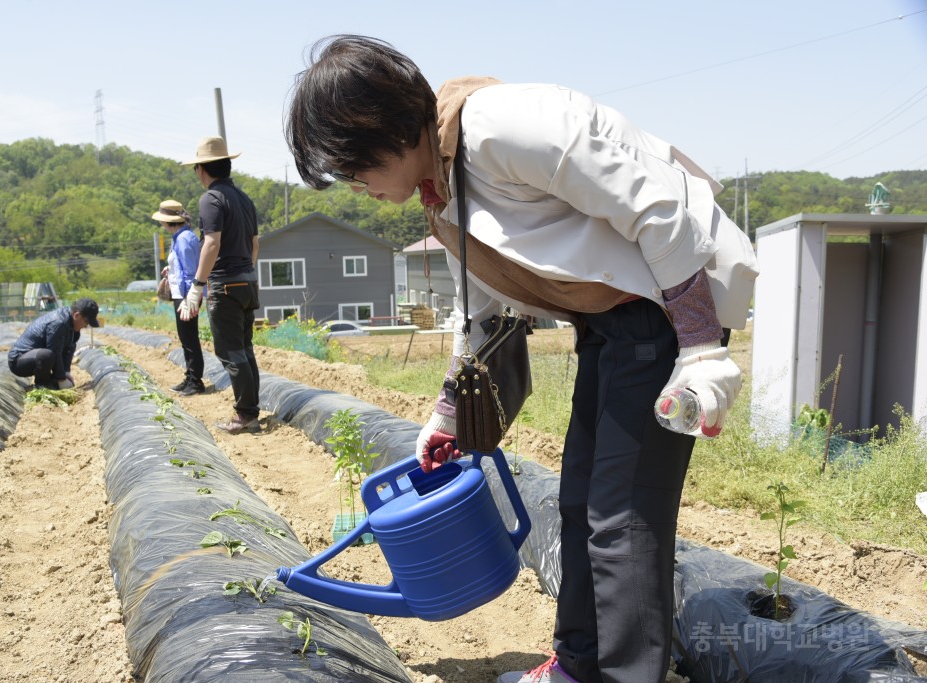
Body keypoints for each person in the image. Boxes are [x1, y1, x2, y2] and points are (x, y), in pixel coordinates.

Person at [285, 36, 758, 683]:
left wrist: (700, 341)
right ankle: (578, 664)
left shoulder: (500, 125)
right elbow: (480, 314)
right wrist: (446, 416)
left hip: (668, 310)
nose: (358, 186)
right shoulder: (442, 192)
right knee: (579, 504)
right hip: (610, 326)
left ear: (380, 130)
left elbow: (657, 200)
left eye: (353, 167)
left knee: (622, 518)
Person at [179, 136, 262, 434]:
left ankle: (246, 415)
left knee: (231, 351)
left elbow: (211, 243)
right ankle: (250, 409)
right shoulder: (244, 199)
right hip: (247, 283)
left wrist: (197, 285)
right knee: (245, 348)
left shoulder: (211, 199)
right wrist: (247, 273)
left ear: (203, 169)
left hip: (225, 284)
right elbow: (255, 244)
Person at [153, 199, 206, 396]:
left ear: (169, 221)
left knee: (189, 338)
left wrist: (187, 298)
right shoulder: (181, 236)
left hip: (185, 295)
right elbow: (182, 265)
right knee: (186, 338)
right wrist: (171, 269)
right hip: (182, 294)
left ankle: (196, 381)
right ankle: (190, 377)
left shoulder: (183, 239)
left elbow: (191, 271)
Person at [8, 297, 99, 390]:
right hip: (19, 361)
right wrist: (61, 378)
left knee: (70, 342)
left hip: (37, 358)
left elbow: (69, 348)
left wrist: (66, 372)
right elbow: (55, 351)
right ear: (76, 315)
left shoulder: (71, 325)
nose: (86, 326)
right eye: (86, 322)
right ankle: (43, 385)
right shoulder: (59, 323)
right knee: (46, 355)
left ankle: (51, 381)